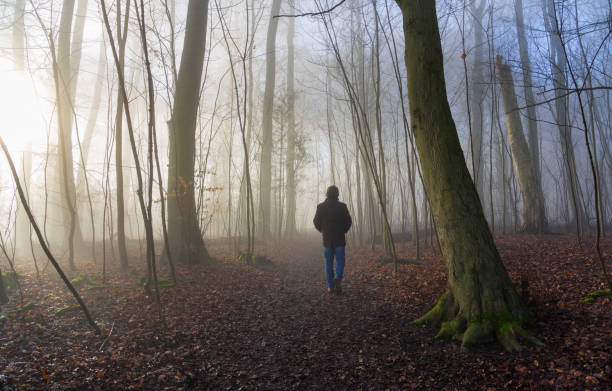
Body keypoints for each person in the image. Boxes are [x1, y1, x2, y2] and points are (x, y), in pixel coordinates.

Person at [313, 185, 352, 294]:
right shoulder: (342, 207)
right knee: (340, 260)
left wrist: (322, 230)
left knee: (328, 263)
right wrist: (344, 230)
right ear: (337, 194)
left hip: (327, 241)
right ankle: (338, 277)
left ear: (327, 194)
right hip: (339, 239)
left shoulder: (320, 207)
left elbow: (315, 222)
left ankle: (330, 287)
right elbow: (349, 222)